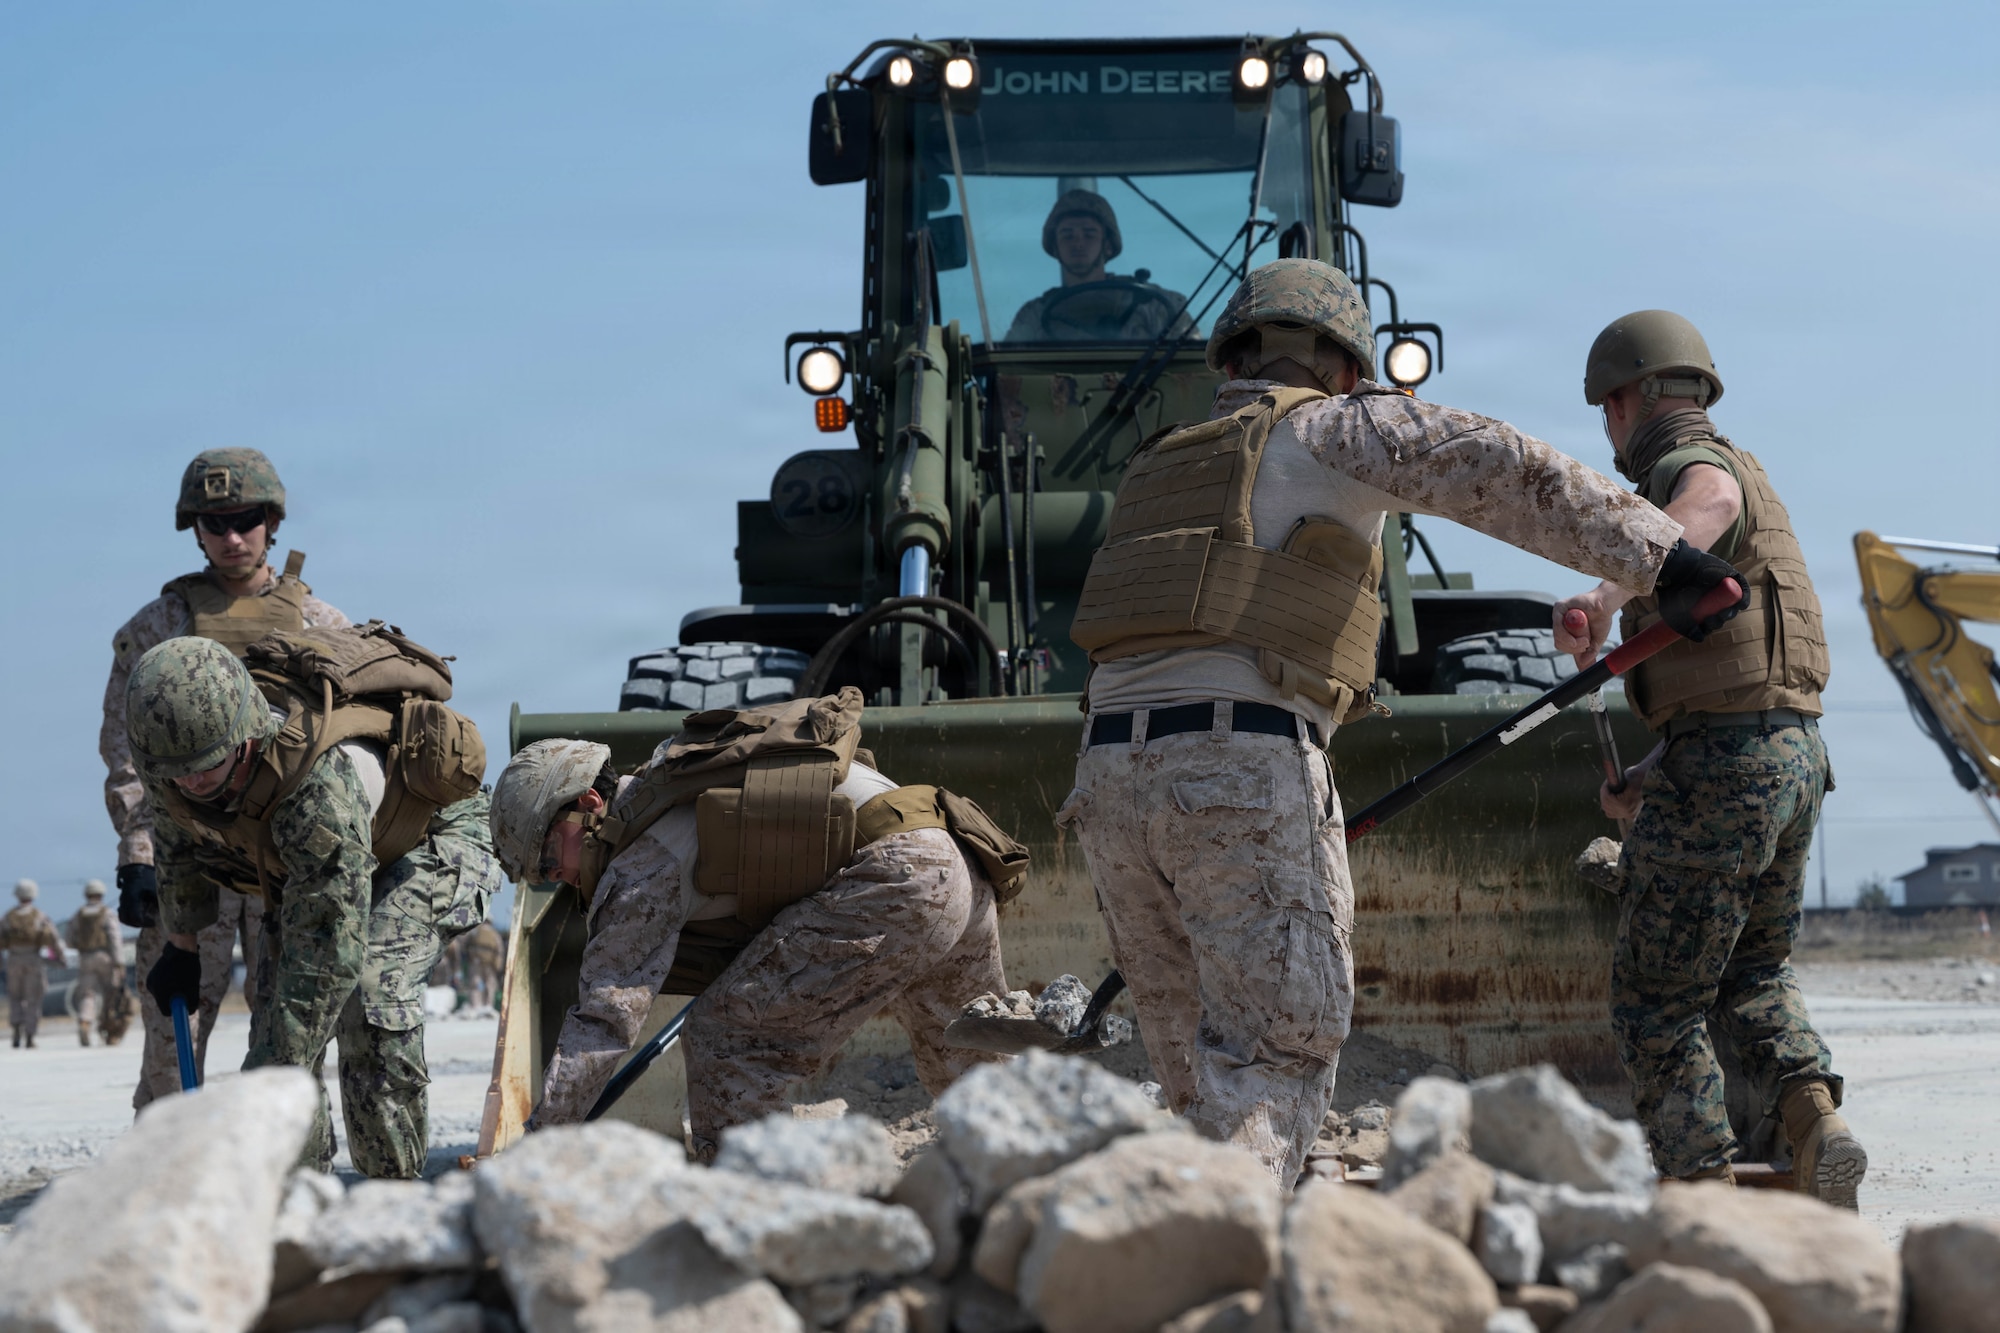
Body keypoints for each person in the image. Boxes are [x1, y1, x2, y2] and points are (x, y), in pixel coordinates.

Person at [1062, 258, 1743, 1187]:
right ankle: (1223, 1248)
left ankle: (1189, 1249)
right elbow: (1499, 467)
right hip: (1238, 760)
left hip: (1106, 782)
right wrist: (1666, 560)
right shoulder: (1334, 426)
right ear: (1345, 365)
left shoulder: (1159, 462)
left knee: (1193, 1069)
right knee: (1277, 1050)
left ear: (1233, 356)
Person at [1552, 310, 1857, 1206]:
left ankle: (1703, 1192)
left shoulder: (1691, 469)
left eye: (1607, 410)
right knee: (1755, 972)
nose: (1608, 431)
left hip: (1729, 766)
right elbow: (1741, 680)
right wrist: (1648, 778)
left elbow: (1707, 505)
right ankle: (1815, 1122)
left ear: (1628, 396)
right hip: (1789, 758)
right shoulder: (1750, 469)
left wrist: (1607, 591)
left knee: (1656, 1002)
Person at [488, 690, 1017, 1156]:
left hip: (896, 880)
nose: (551, 875)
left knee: (727, 1039)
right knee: (966, 1055)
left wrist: (540, 1142)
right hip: (955, 859)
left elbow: (604, 1020)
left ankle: (755, 1202)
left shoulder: (639, 866)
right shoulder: (673, 784)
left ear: (589, 803)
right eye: (538, 872)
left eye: (548, 851)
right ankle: (1018, 1171)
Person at [127, 635, 499, 1177]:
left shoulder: (314, 785)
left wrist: (276, 1067)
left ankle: (389, 1199)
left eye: (206, 766)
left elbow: (333, 948)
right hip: (317, 864)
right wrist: (181, 945)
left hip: (433, 836)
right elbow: (177, 838)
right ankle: (298, 1200)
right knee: (275, 1039)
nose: (191, 781)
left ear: (246, 736)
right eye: (176, 771)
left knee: (368, 996)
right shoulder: (172, 756)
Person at [102, 448, 351, 1110]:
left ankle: (280, 1176)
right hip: (190, 856)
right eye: (215, 523)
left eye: (245, 519)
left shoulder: (322, 625)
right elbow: (129, 754)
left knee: (291, 1036)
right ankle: (163, 1174)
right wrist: (140, 850)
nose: (232, 537)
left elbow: (348, 744)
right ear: (195, 530)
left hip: (287, 861)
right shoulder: (157, 628)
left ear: (272, 522)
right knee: (171, 1027)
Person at [1004, 189, 1193, 342]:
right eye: (1067, 236)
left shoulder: (1154, 304)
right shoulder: (1034, 316)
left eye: (1089, 234)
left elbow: (1193, 366)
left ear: (1108, 246)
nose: (1078, 243)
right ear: (1055, 247)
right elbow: (1009, 374)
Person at [5, 881, 67, 1049]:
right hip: (34, 960)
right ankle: (30, 1036)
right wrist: (61, 959)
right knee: (33, 999)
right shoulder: (40, 916)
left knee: (15, 998)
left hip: (13, 961)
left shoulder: (9, 916)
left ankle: (16, 1030)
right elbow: (54, 939)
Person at [64, 880, 126, 1047]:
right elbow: (115, 938)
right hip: (105, 957)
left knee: (88, 995)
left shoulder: (79, 914)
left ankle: (84, 1021)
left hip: (85, 958)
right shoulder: (107, 913)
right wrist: (119, 962)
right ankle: (108, 1030)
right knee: (110, 994)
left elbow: (68, 940)